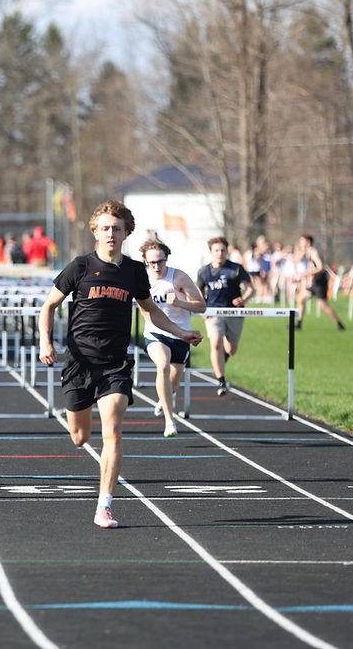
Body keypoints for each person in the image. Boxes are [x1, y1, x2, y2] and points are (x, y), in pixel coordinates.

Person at [38, 201, 201, 529]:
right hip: (79, 362)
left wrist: (181, 332)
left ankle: (104, 506)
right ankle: (87, 445)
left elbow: (149, 312)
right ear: (95, 230)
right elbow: (49, 306)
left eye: (117, 228)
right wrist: (45, 341)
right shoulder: (80, 267)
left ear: (127, 232)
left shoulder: (133, 271)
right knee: (80, 437)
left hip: (115, 363)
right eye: (105, 228)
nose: (111, 233)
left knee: (112, 429)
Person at [140, 239, 206, 438]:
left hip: (181, 335)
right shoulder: (142, 280)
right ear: (145, 261)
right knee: (163, 365)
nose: (157, 267)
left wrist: (179, 302)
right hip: (155, 332)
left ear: (166, 259)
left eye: (160, 262)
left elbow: (201, 306)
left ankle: (164, 397)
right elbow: (146, 312)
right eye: (152, 263)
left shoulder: (179, 277)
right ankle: (170, 422)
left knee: (174, 383)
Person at [197, 237, 255, 396]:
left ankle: (223, 359)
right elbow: (199, 291)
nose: (220, 253)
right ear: (211, 252)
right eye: (216, 250)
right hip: (214, 312)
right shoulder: (204, 271)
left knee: (231, 349)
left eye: (223, 250)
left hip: (234, 312)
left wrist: (243, 299)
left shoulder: (236, 268)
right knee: (215, 344)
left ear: (227, 251)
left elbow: (251, 289)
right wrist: (202, 307)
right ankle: (221, 381)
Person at [295, 235, 345, 331]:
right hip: (315, 282)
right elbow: (296, 261)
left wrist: (305, 273)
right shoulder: (308, 252)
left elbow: (320, 267)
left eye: (302, 241)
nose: (300, 243)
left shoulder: (314, 253)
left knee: (324, 306)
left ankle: (340, 324)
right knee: (300, 298)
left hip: (320, 282)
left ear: (308, 242)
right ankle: (299, 323)